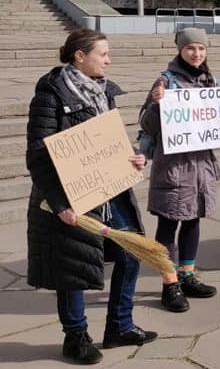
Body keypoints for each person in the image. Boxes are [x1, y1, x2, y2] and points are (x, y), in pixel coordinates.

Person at [26, 29, 157, 365]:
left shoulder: (103, 92)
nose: (109, 60)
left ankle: (120, 326)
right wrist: (60, 204)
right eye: (103, 54)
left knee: (131, 253)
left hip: (110, 190)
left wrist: (132, 156)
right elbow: (38, 155)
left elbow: (108, 141)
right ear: (79, 56)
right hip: (69, 196)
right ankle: (76, 336)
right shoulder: (51, 94)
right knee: (74, 266)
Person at [139, 28, 219, 313]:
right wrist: (158, 105)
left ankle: (187, 275)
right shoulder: (166, 81)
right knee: (168, 225)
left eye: (201, 49)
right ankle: (169, 284)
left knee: (193, 221)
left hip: (201, 166)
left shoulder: (210, 80)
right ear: (180, 51)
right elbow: (146, 126)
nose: (196, 54)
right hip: (173, 167)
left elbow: (217, 119)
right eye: (190, 49)